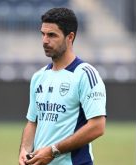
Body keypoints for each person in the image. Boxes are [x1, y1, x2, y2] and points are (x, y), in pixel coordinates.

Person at [18, 8, 106, 165]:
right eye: (43, 34)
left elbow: (97, 126)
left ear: (70, 37)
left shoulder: (85, 74)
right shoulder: (39, 77)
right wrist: (24, 151)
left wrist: (53, 151)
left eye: (52, 35)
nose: (45, 40)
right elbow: (33, 121)